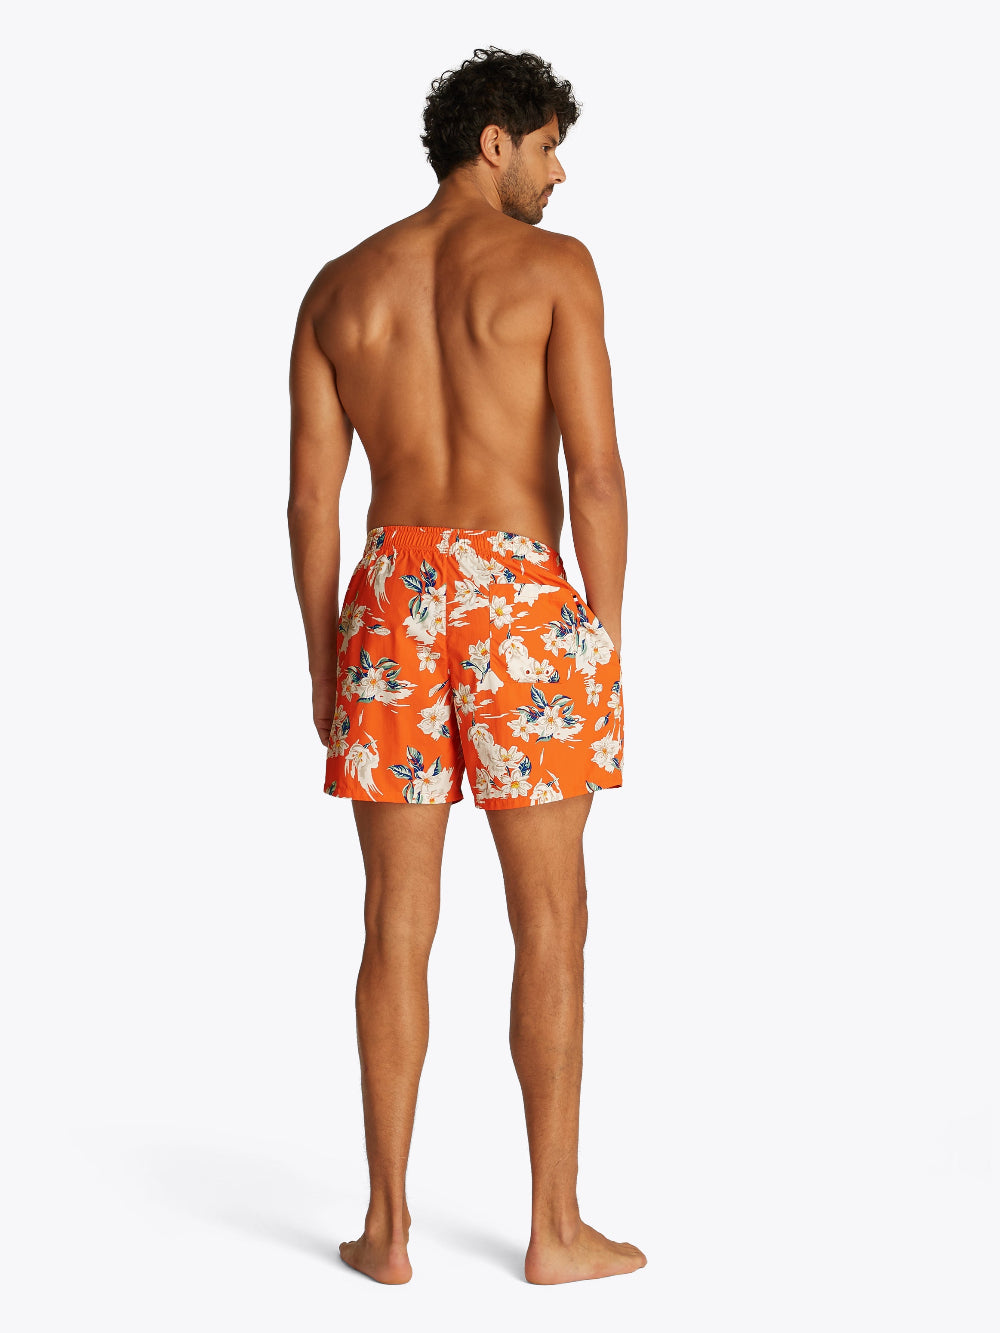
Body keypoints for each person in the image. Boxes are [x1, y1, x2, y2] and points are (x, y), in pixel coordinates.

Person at [287, 46, 642, 1286]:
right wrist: (598, 639)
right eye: (548, 148)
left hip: (388, 597)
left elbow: (310, 506)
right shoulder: (554, 268)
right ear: (494, 144)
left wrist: (326, 660)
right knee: (552, 917)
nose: (557, 174)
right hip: (517, 598)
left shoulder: (340, 288)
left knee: (394, 920)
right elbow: (596, 475)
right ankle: (555, 1229)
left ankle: (385, 1229)